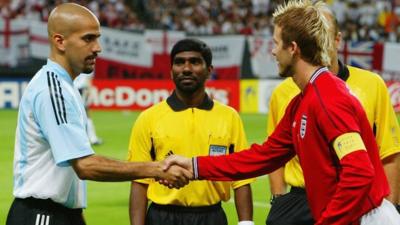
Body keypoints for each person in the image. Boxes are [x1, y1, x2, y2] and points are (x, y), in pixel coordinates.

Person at [163, 1, 400, 224]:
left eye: (276, 43)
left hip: (364, 219)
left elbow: (359, 172)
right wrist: (193, 166)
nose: (274, 51)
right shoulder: (303, 101)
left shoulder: (328, 98)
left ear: (293, 48)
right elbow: (263, 157)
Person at [6, 3, 190, 225]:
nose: (97, 47)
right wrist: (157, 168)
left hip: (60, 212)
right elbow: (85, 166)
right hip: (42, 214)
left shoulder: (65, 86)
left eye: (97, 38)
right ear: (59, 41)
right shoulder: (52, 90)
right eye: (88, 39)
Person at [266, 4, 400, 225]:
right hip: (299, 201)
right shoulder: (284, 92)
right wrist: (278, 199)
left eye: (323, 34)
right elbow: (273, 155)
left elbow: (389, 153)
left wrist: (390, 207)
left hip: (354, 201)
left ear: (337, 40)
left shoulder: (372, 84)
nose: (317, 41)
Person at [127, 38, 254, 225]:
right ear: (171, 71)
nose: (186, 68)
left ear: (209, 70)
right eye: (179, 62)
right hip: (163, 216)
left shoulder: (229, 117)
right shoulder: (149, 118)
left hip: (212, 217)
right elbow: (139, 181)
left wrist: (246, 222)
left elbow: (242, 176)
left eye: (194, 62)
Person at [74, 73, 102, 145]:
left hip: (74, 87)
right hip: (81, 89)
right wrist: (89, 90)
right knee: (85, 113)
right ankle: (92, 138)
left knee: (79, 113)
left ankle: (89, 138)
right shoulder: (89, 63)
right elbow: (88, 79)